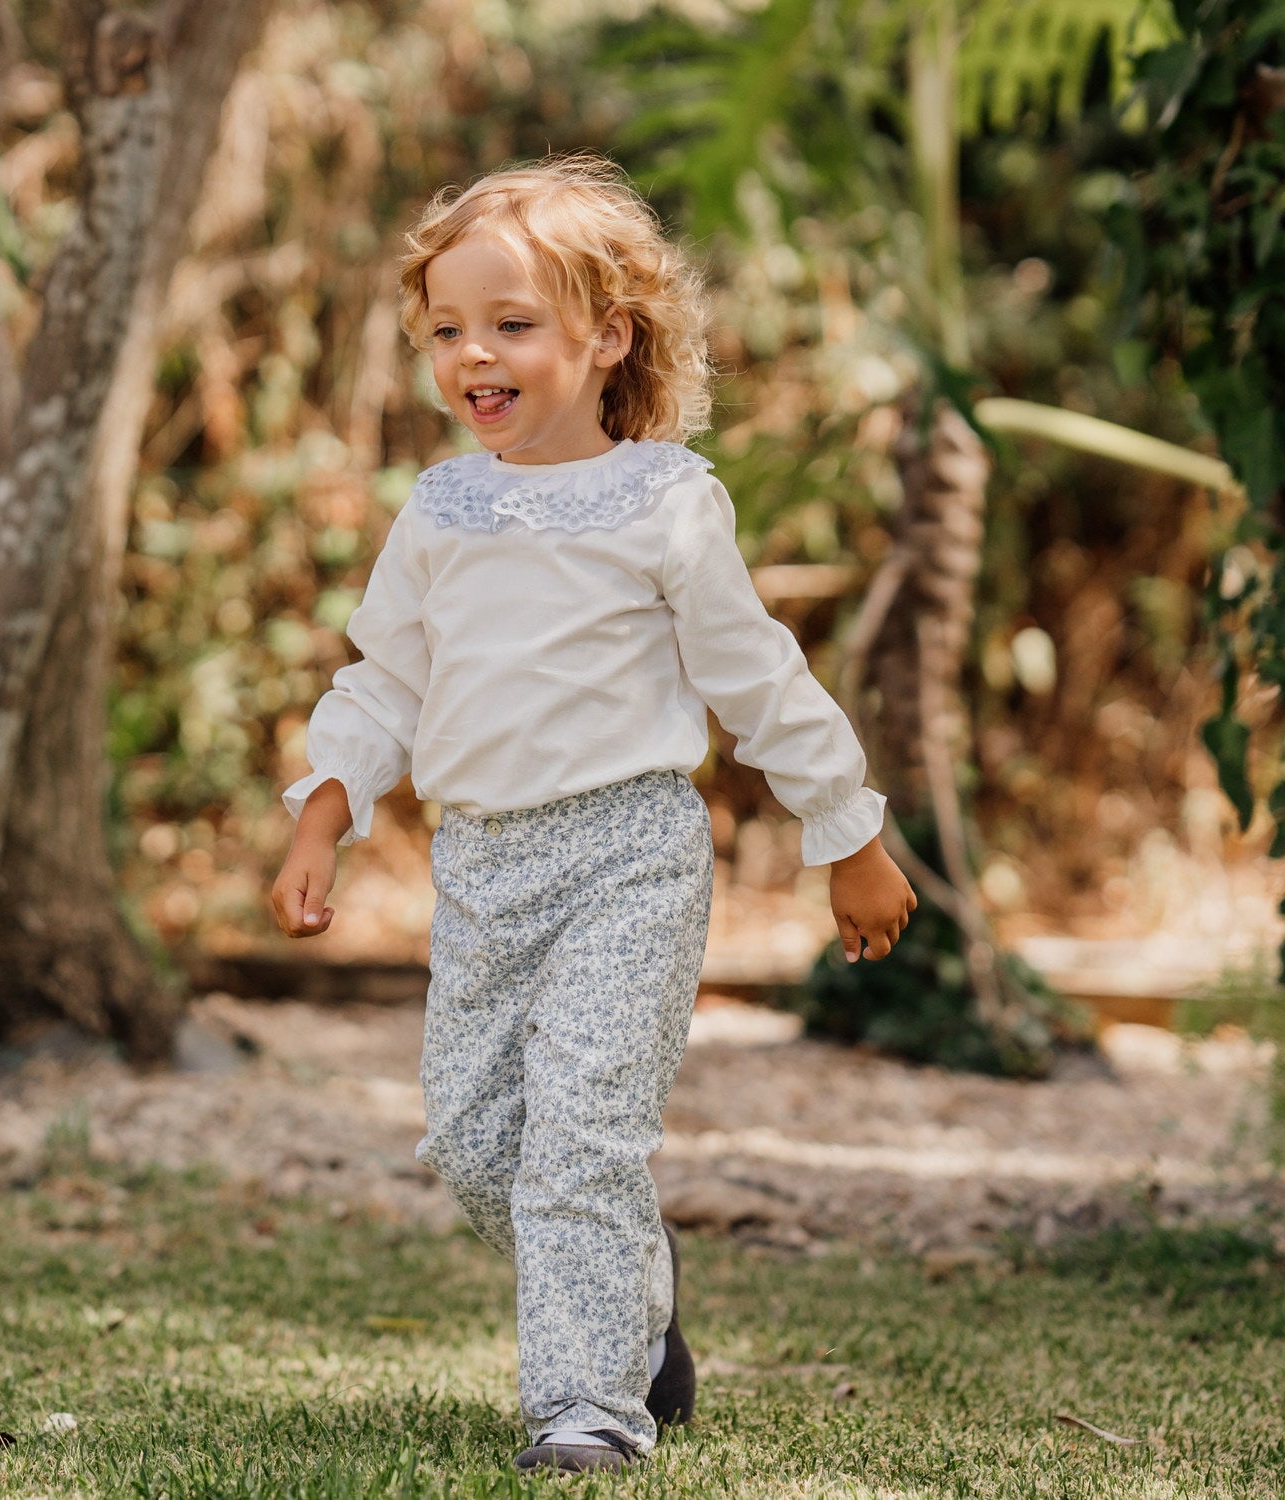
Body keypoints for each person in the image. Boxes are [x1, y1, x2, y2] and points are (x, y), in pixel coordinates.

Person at [271, 155, 917, 1474]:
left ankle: (589, 1411)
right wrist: (322, 808)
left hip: (630, 855)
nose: (473, 356)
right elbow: (384, 676)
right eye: (447, 330)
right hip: (483, 863)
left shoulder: (667, 502)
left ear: (605, 334)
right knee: (471, 1145)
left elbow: (759, 678)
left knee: (580, 1135)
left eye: (511, 325)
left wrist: (845, 831)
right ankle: (631, 1294)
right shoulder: (445, 508)